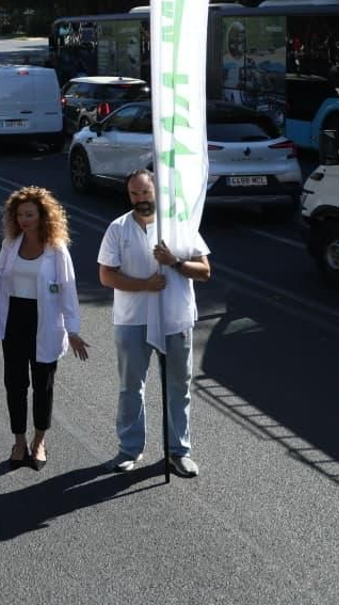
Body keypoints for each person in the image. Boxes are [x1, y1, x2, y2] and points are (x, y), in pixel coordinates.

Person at [98, 170, 211, 478]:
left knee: (177, 386)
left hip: (175, 318)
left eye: (145, 193)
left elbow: (204, 271)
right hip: (132, 320)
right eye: (134, 194)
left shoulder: (180, 226)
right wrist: (144, 285)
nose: (140, 200)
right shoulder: (118, 228)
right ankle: (129, 449)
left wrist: (174, 261)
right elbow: (106, 275)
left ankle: (179, 451)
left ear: (156, 192)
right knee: (130, 387)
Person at [0, 186, 89, 470]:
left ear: (42, 216)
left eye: (29, 214)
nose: (24, 220)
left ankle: (39, 440)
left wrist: (73, 331)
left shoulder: (56, 250)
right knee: (15, 384)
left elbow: (68, 291)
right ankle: (19, 441)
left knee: (42, 386)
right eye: (19, 214)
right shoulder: (11, 244)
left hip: (44, 321)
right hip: (14, 318)